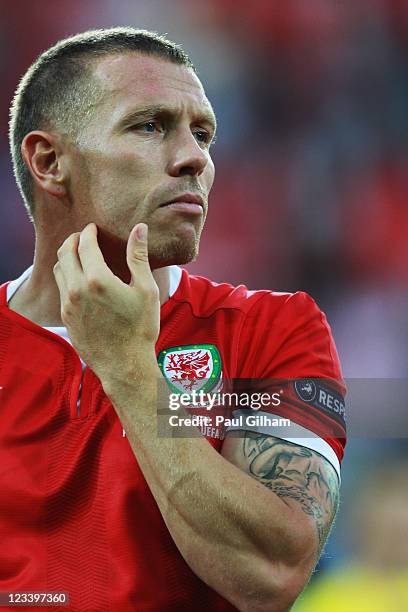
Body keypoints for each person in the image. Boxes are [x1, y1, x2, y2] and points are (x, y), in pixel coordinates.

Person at [0, 27, 346, 611]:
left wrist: (131, 370)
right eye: (149, 125)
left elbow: (270, 575)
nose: (195, 159)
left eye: (204, 133)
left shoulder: (274, 329)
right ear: (49, 161)